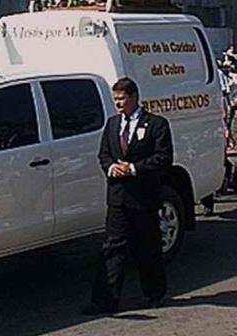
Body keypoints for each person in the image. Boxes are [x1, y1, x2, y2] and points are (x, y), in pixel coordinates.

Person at [82, 77, 174, 315]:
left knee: (148, 247)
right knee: (113, 247)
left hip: (144, 197)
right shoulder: (113, 124)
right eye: (116, 99)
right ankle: (105, 300)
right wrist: (111, 167)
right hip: (118, 198)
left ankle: (154, 293)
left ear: (134, 97)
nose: (118, 104)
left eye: (122, 99)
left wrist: (134, 168)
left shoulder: (156, 124)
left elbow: (164, 159)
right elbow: (104, 154)